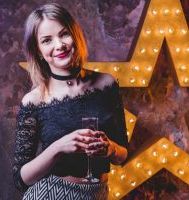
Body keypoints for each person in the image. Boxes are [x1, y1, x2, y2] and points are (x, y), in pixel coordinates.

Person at [13, 3, 129, 200]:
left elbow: (124, 155)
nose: (59, 45)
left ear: (75, 35)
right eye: (47, 40)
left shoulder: (106, 84)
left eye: (64, 34)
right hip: (51, 195)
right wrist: (58, 147)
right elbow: (20, 179)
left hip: (98, 194)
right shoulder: (33, 101)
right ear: (39, 51)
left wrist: (110, 148)